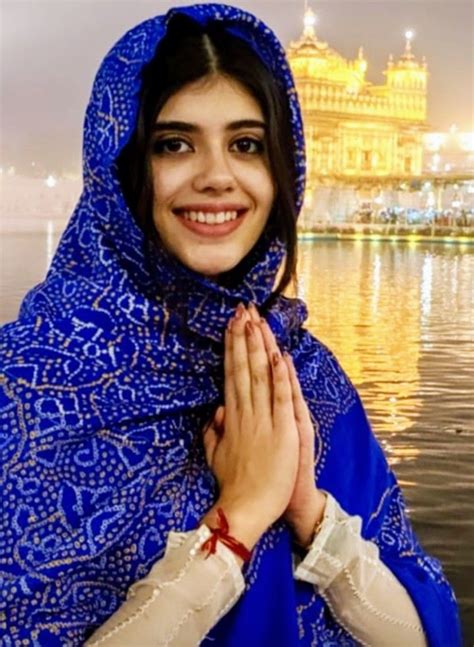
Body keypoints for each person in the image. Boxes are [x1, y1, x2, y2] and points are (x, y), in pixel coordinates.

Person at [0, 3, 461, 646]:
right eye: (174, 144)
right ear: (124, 167)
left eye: (246, 145)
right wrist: (238, 520)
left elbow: (418, 636)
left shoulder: (305, 378)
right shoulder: (27, 388)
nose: (217, 176)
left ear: (281, 168)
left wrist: (309, 511)